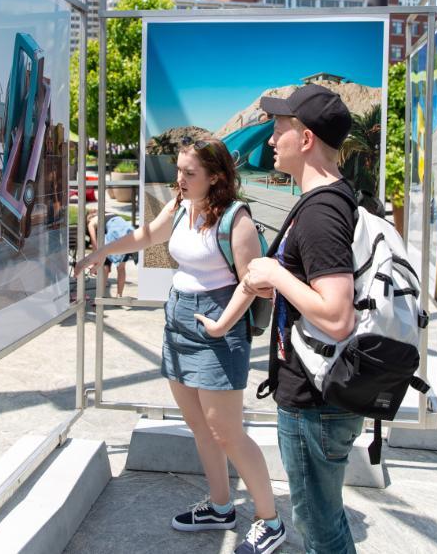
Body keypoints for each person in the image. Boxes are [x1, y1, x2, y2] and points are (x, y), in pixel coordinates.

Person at [74, 137, 287, 554]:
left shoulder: (236, 218)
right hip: (178, 322)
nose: (180, 179)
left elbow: (255, 282)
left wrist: (221, 324)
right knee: (199, 426)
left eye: (190, 173)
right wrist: (99, 253)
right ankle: (222, 506)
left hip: (218, 329)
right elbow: (147, 235)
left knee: (227, 432)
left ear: (216, 177)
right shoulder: (180, 204)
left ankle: (270, 520)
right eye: (178, 170)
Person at [241, 84, 364, 554]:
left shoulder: (321, 213)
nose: (272, 139)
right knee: (323, 520)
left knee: (318, 528)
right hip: (318, 394)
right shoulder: (331, 199)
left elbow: (336, 315)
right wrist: (281, 279)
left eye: (280, 128)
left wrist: (274, 272)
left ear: (306, 138)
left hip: (316, 400)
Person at [85, 207, 138, 297]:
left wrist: (96, 257)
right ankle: (119, 296)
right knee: (121, 268)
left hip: (114, 236)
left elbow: (94, 243)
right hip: (127, 234)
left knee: (104, 267)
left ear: (90, 217)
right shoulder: (111, 214)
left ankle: (100, 296)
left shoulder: (92, 221)